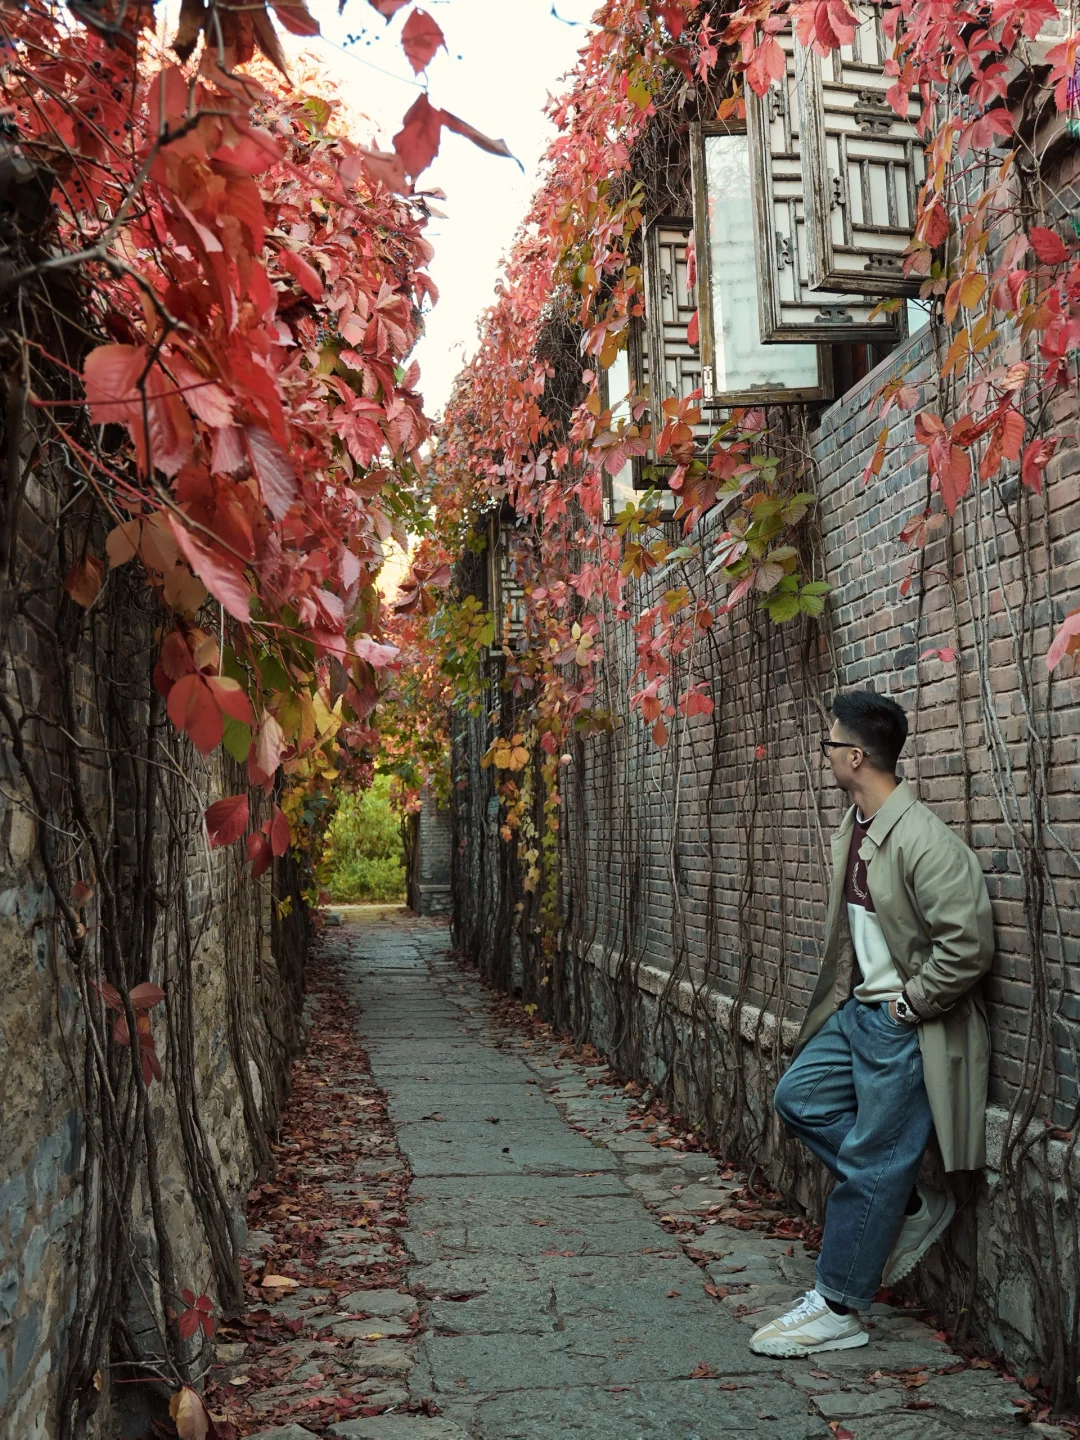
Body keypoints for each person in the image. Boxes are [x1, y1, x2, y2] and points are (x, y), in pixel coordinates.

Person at [750, 689, 994, 1357]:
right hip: (860, 1014)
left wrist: (912, 1004)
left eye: (829, 745)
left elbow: (969, 945)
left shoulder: (923, 840)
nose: (824, 755)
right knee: (799, 1098)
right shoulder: (858, 828)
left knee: (868, 1162)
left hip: (906, 1024)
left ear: (855, 756)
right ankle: (908, 1202)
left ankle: (839, 1306)